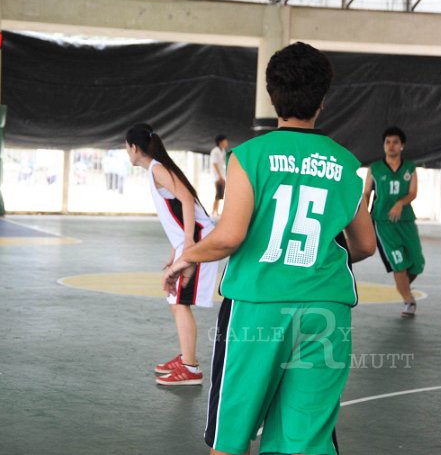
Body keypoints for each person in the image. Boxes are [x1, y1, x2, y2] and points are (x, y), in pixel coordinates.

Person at [163, 42, 376, 455]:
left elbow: (230, 236)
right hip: (326, 311)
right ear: (323, 101)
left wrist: (186, 257)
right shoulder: (347, 165)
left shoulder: (248, 156)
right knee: (304, 441)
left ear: (271, 94)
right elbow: (365, 244)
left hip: (258, 306)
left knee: (231, 437)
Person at [125, 123, 218, 386]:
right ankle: (186, 358)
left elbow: (187, 199)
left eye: (126, 148)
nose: (127, 153)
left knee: (180, 302)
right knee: (175, 299)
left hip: (199, 239)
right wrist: (176, 249)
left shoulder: (156, 168)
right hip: (190, 241)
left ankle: (191, 368)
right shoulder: (155, 169)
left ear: (133, 147)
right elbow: (175, 211)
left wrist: (188, 243)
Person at [363, 126, 426, 318]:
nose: (391, 146)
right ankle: (408, 301)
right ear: (383, 146)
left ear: (402, 145)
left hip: (406, 220)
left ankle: (403, 285)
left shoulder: (410, 168)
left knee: (417, 264)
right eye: (387, 142)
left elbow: (413, 192)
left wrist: (400, 203)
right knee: (399, 263)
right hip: (383, 222)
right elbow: (366, 193)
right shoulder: (375, 168)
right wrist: (363, 217)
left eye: (395, 142)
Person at [210, 134, 229, 217]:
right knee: (218, 194)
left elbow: (224, 162)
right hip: (217, 176)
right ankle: (214, 211)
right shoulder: (215, 151)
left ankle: (215, 211)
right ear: (220, 142)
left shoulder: (223, 151)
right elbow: (215, 164)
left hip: (222, 175)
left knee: (220, 194)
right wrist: (220, 176)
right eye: (225, 140)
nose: (226, 142)